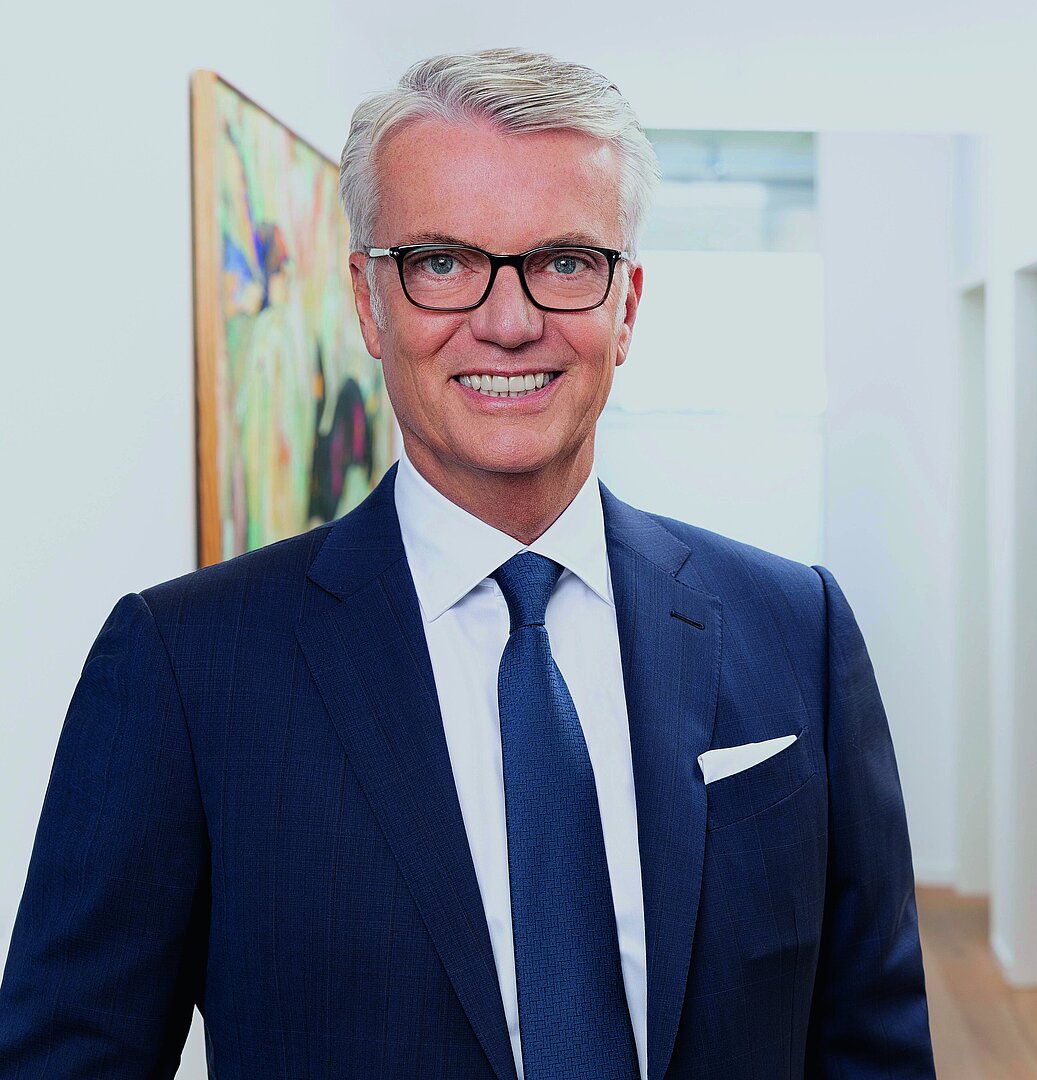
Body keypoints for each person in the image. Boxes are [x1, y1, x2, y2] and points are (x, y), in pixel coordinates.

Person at [0, 48, 934, 1080]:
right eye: (442, 262)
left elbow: (874, 1043)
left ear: (626, 306)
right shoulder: (186, 668)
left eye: (565, 262)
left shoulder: (796, 627)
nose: (509, 322)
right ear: (369, 301)